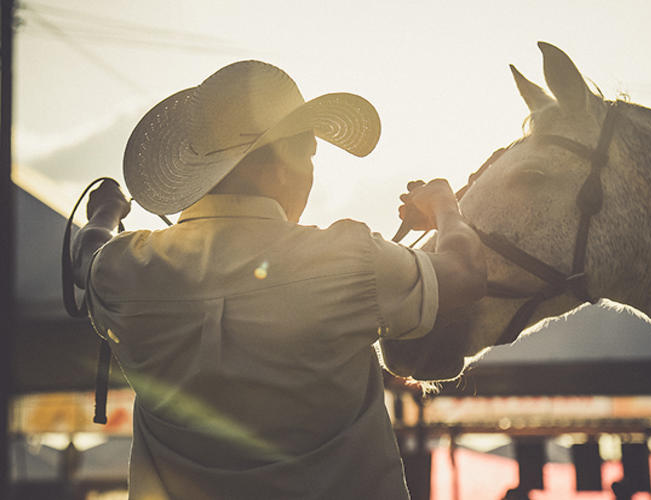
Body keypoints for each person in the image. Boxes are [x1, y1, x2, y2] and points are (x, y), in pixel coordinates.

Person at [70, 60, 486, 499]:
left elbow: (86, 254)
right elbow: (465, 275)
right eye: (308, 155)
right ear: (283, 167)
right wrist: (444, 205)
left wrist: (105, 212)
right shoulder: (348, 259)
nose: (310, 173)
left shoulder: (124, 269)